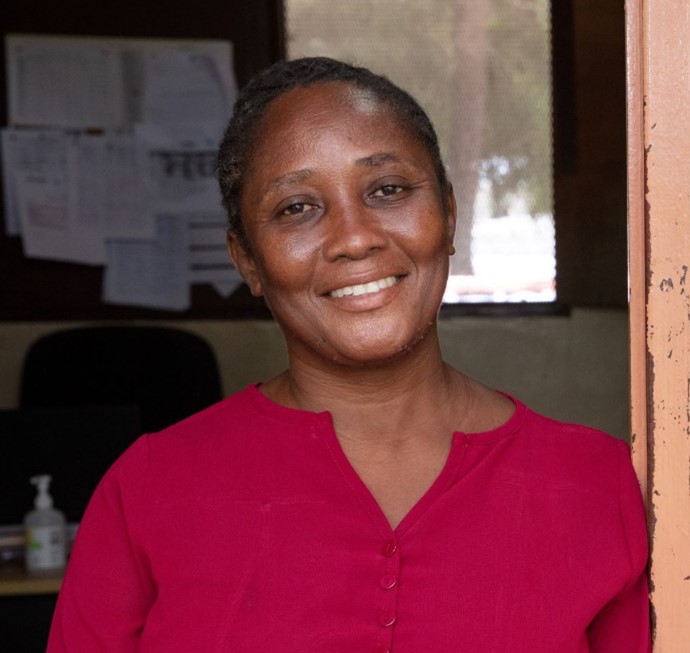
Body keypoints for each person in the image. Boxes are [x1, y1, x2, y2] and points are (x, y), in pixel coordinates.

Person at [47, 57, 650, 652]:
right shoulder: (151, 489)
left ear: (447, 213)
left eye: (387, 190)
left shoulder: (596, 484)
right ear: (247, 260)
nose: (355, 237)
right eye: (297, 208)